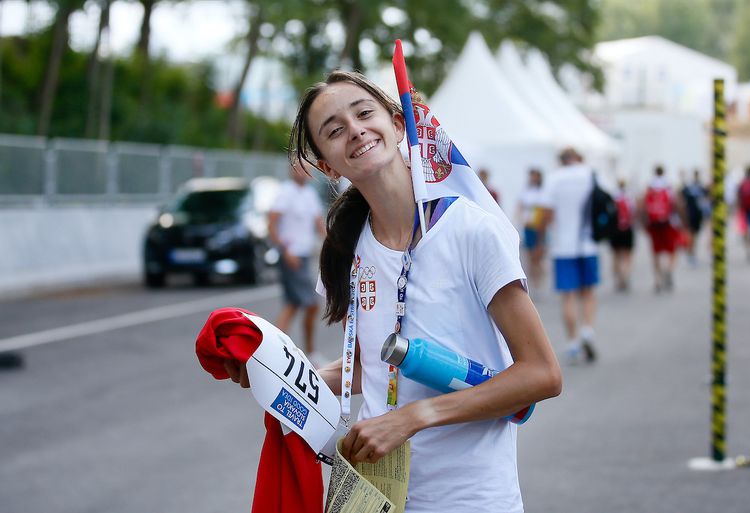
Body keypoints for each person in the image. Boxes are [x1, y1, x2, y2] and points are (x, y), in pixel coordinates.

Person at [224, 71, 561, 513]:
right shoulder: (345, 246)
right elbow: (368, 369)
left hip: (471, 498)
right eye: (334, 130)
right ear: (327, 165)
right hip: (372, 494)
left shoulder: (472, 230)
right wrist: (280, 376)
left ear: (398, 125)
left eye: (364, 113)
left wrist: (412, 419)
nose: (355, 130)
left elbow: (541, 374)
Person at [541, 147, 599, 364]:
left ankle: (573, 342)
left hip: (562, 246)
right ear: (578, 157)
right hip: (587, 243)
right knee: (588, 293)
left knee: (568, 296)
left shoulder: (554, 179)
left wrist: (542, 241)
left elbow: (546, 213)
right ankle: (587, 329)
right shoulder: (590, 174)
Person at [268, 160, 326, 365]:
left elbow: (318, 223)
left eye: (307, 167)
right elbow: (271, 224)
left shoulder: (309, 195)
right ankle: (275, 353)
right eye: (300, 167)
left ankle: (298, 352)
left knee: (298, 304)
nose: (305, 171)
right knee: (304, 304)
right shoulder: (286, 192)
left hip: (303, 256)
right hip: (291, 256)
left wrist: (332, 245)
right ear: (292, 170)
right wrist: (285, 250)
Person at [642, 165, 679, 293]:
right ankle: (668, 269)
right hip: (667, 223)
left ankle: (657, 278)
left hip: (654, 224)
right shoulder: (668, 186)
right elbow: (676, 204)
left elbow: (642, 205)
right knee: (671, 250)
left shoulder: (649, 187)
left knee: (656, 252)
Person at [516, 168, 546, 290]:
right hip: (528, 225)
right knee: (529, 256)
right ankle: (534, 281)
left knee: (538, 255)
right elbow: (520, 207)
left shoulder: (543, 191)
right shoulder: (526, 191)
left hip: (540, 226)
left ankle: (538, 279)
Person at [609, 179, 635, 291]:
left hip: (614, 229)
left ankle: (618, 278)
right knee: (627, 255)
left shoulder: (613, 197)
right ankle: (625, 275)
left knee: (616, 255)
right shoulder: (629, 197)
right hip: (627, 229)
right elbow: (634, 212)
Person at [680, 169, 709, 266]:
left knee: (693, 236)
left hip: (692, 215)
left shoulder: (690, 188)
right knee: (692, 236)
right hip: (694, 215)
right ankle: (691, 254)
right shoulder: (700, 188)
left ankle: (691, 254)